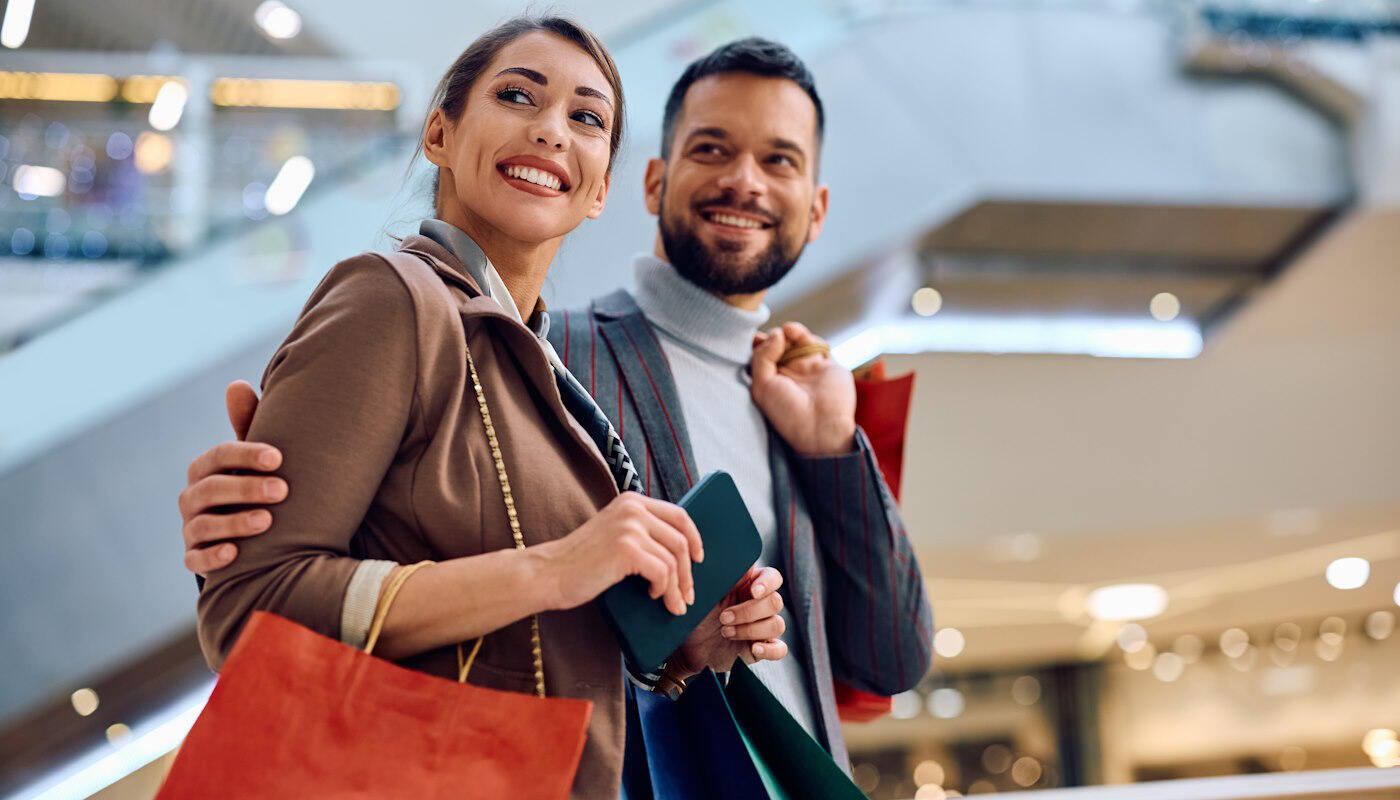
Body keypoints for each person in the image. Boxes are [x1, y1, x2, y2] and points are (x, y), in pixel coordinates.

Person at [181, 36, 933, 772]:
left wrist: (677, 652)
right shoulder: (461, 322)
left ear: (600, 188)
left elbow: (889, 658)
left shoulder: (562, 359)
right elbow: (261, 601)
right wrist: (555, 567)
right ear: (439, 134)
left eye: (587, 117)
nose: (745, 180)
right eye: (517, 95)